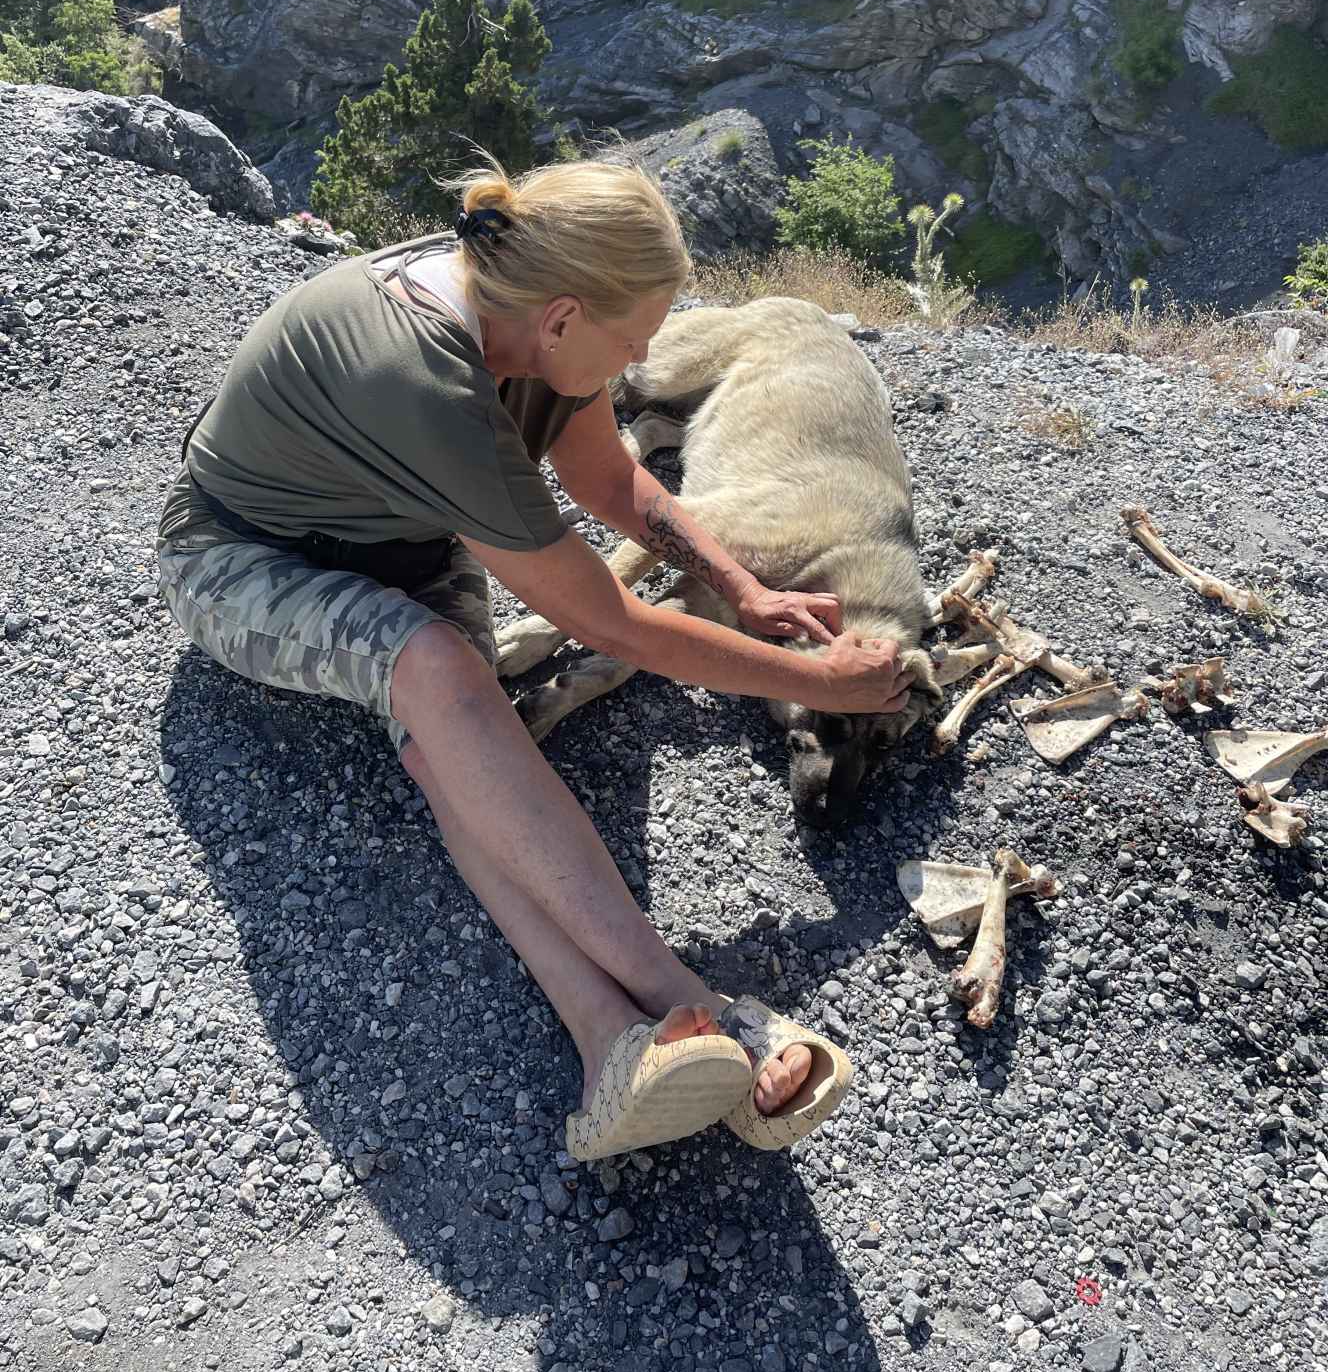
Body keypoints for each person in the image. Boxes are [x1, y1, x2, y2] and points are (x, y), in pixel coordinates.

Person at [156, 154, 913, 1161]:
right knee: (434, 670)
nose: (644, 356)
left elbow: (614, 485)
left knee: (467, 754)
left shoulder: (529, 314)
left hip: (402, 543)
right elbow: (614, 627)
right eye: (634, 338)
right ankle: (692, 1000)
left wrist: (744, 589)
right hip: (237, 562)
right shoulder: (428, 380)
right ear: (562, 320)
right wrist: (819, 683)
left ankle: (612, 1050)